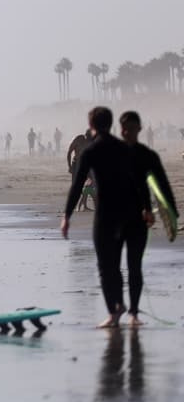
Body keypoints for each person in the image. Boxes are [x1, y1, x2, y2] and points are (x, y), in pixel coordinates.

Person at [61, 107, 151, 328]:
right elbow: (140, 181)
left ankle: (114, 310)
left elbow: (76, 186)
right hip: (130, 212)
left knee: (107, 266)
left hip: (106, 215)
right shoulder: (125, 148)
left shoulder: (91, 151)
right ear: (112, 125)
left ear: (91, 125)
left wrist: (67, 216)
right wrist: (146, 208)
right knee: (132, 266)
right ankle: (133, 313)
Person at [122, 110, 177, 236]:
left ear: (139, 129)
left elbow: (161, 185)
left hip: (140, 215)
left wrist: (171, 211)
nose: (126, 132)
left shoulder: (148, 156)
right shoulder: (115, 153)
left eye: (130, 128)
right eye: (124, 128)